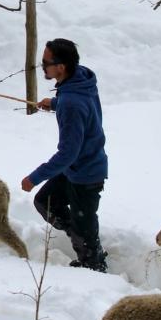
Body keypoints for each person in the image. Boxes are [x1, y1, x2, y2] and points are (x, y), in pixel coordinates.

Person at [20, 38, 109, 272]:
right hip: (77, 168)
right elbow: (79, 105)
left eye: (46, 63)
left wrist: (34, 178)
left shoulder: (71, 102)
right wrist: (55, 103)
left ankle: (93, 264)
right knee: (45, 202)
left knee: (87, 240)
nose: (42, 67)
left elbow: (68, 153)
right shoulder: (81, 80)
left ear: (61, 67)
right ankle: (80, 233)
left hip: (86, 174)